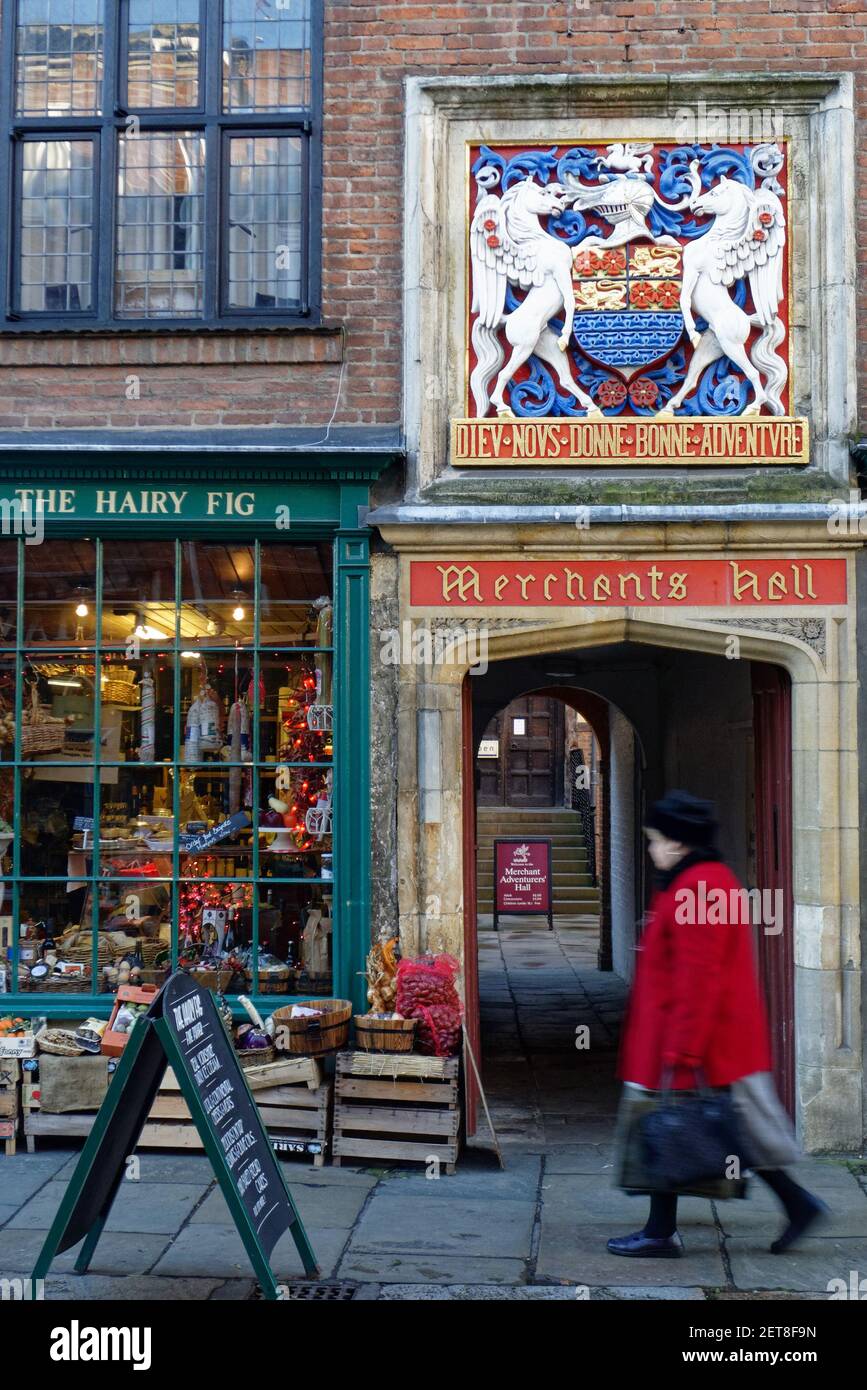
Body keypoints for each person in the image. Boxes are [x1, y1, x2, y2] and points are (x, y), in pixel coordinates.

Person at [608, 790, 827, 1259]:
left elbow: (698, 980)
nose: (651, 849)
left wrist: (683, 1052)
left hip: (703, 1046)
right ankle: (791, 1205)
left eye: (656, 839)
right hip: (694, 1042)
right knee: (704, 1132)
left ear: (680, 842)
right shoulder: (699, 881)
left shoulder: (700, 888)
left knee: (693, 1130)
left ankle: (664, 1231)